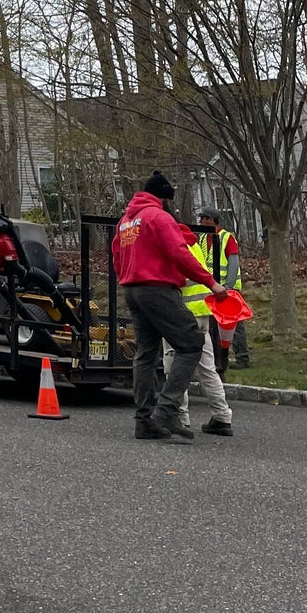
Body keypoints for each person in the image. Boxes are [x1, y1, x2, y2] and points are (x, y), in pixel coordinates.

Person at [113, 171, 226, 442]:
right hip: (158, 290)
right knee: (190, 344)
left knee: (146, 353)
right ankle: (166, 411)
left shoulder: (126, 222)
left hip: (133, 290)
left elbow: (117, 255)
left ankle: (144, 421)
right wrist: (212, 283)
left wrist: (127, 279)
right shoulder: (158, 217)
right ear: (163, 198)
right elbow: (179, 253)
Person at [166, 219, 234, 436]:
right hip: (202, 313)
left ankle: (180, 417)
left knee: (174, 364)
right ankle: (222, 416)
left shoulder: (171, 244)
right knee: (206, 366)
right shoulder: (194, 244)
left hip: (180, 315)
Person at [197, 208, 248, 367]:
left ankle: (242, 357)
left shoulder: (226, 237)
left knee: (234, 324)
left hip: (227, 289)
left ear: (212, 220)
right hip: (213, 289)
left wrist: (228, 286)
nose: (201, 222)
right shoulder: (203, 238)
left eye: (204, 218)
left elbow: (233, 262)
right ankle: (219, 358)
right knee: (214, 325)